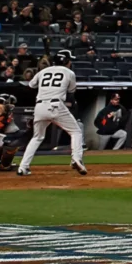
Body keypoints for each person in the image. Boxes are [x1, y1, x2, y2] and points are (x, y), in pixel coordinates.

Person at [16, 48, 88, 177]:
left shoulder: (43, 71)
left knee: (37, 137)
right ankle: (76, 158)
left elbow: (31, 85)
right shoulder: (69, 72)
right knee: (76, 131)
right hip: (56, 105)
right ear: (66, 61)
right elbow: (71, 92)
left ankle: (23, 167)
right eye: (69, 60)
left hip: (39, 106)